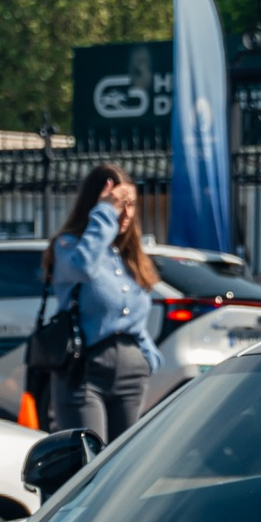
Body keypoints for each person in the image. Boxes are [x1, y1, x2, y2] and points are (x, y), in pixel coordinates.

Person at [44, 164, 161, 443]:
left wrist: (148, 357)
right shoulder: (69, 247)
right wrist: (105, 214)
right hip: (85, 371)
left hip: (132, 375)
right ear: (95, 204)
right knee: (91, 458)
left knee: (125, 460)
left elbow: (134, 315)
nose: (126, 213)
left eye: (131, 204)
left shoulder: (128, 256)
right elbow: (83, 268)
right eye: (119, 203)